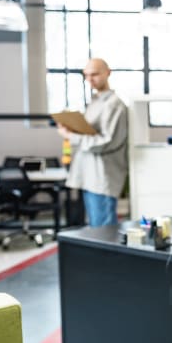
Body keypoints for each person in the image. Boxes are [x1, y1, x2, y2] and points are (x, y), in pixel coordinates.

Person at [57, 58, 128, 227]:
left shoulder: (114, 105)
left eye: (95, 74)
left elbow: (106, 141)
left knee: (103, 230)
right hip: (89, 175)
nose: (90, 79)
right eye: (86, 75)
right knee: (96, 228)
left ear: (108, 73)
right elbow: (90, 133)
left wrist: (70, 136)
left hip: (102, 176)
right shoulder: (95, 102)